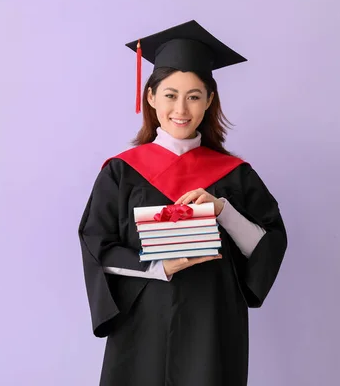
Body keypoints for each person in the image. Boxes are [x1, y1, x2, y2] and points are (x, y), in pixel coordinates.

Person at [78, 20, 287, 386]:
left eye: (194, 95)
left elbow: (268, 245)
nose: (182, 108)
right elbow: (97, 247)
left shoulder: (235, 175)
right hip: (140, 324)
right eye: (171, 94)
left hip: (213, 325)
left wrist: (224, 210)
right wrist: (159, 265)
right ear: (151, 97)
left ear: (209, 101)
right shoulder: (121, 173)